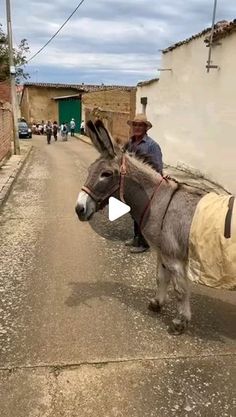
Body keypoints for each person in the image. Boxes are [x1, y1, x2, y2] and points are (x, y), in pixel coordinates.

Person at [125, 113, 163, 253]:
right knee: (134, 213)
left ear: (146, 128)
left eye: (140, 125)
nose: (137, 127)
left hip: (146, 187)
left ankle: (144, 243)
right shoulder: (130, 143)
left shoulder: (152, 145)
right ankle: (136, 238)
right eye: (135, 124)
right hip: (133, 186)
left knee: (144, 215)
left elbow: (158, 168)